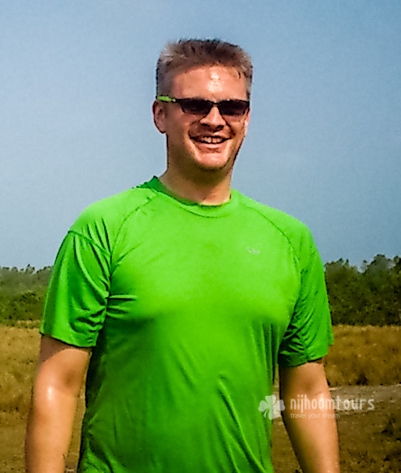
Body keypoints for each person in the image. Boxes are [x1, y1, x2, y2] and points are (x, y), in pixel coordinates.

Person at [26, 39, 339, 472]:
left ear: (247, 117)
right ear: (160, 114)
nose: (214, 120)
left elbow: (306, 388)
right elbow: (57, 384)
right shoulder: (104, 229)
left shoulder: (290, 239)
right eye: (195, 105)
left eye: (232, 107)